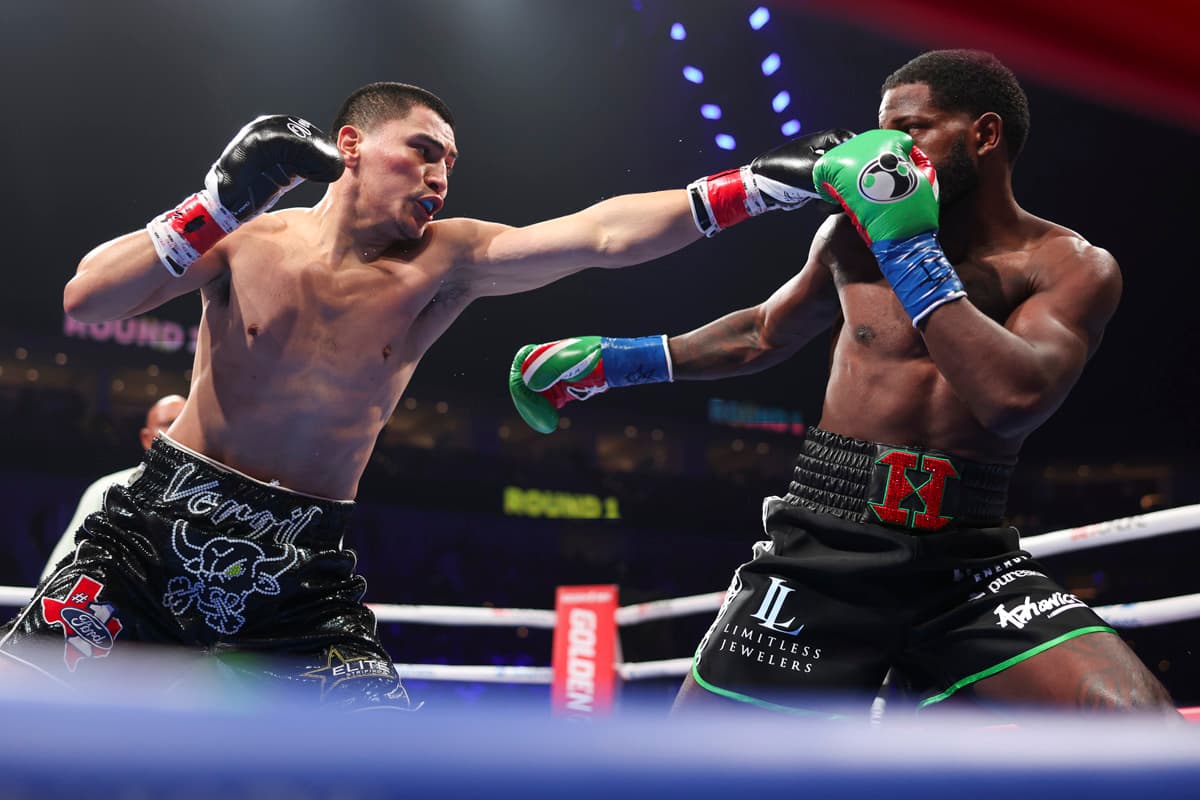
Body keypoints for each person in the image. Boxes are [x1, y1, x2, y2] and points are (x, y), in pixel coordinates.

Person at [0, 80, 850, 707]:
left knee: (382, 764)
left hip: (301, 564)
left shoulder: (446, 260)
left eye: (451, 163)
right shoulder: (247, 239)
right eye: (423, 150)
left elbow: (597, 234)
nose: (441, 176)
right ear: (351, 145)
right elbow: (89, 298)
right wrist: (217, 203)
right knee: (23, 721)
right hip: (154, 533)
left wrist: (753, 189)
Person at [509, 50, 1178, 717]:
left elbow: (1012, 400)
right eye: (883, 132)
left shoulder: (1069, 266)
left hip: (968, 560)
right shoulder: (850, 237)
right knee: (697, 761)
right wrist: (613, 362)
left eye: (913, 129)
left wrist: (907, 249)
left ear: (984, 134)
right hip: (825, 545)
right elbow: (762, 333)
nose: (890, 151)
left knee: (1132, 717)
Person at [39, 395, 186, 584]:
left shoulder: (217, 494)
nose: (180, 430)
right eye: (170, 423)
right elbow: (60, 571)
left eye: (186, 422)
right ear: (146, 438)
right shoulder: (108, 489)